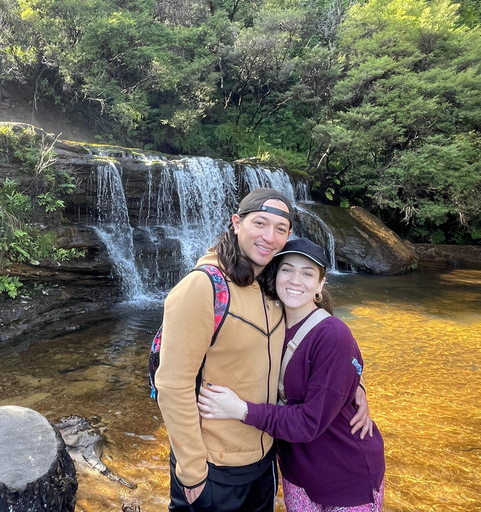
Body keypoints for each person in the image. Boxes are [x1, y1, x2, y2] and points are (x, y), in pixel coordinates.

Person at [154, 190, 371, 512]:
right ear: (237, 223)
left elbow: (323, 338)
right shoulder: (202, 287)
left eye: (280, 229)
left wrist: (356, 386)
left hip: (265, 458)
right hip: (215, 466)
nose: (270, 237)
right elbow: (173, 385)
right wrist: (191, 471)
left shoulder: (273, 287)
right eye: (260, 223)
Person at [197, 237, 385, 512]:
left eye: (307, 273)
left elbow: (310, 421)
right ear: (275, 275)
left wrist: (240, 409)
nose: (295, 280)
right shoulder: (268, 322)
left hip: (345, 474)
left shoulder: (332, 334)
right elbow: (354, 364)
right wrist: (357, 385)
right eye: (287, 269)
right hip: (297, 472)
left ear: (320, 284)